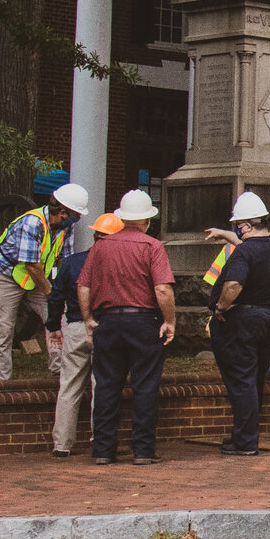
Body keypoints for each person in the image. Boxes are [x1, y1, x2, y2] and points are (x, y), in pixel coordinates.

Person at [81, 188, 177, 465]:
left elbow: (84, 286)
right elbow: (162, 290)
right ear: (148, 220)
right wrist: (169, 321)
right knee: (145, 386)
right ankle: (143, 450)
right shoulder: (152, 246)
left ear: (121, 218)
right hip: (144, 321)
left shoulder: (100, 246)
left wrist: (88, 318)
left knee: (107, 386)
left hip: (108, 320)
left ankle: (103, 450)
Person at [199, 204, 270, 436]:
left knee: (244, 378)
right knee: (257, 375)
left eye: (238, 225)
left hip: (246, 319)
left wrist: (221, 307)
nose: (236, 229)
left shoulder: (245, 251)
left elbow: (234, 284)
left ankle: (246, 439)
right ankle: (251, 434)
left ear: (248, 225)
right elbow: (254, 248)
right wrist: (223, 233)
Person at [0, 182, 90, 381]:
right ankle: (1, 384)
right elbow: (31, 266)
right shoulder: (32, 223)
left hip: (36, 278)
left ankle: (60, 371)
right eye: (76, 214)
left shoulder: (66, 229)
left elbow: (63, 260)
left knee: (62, 315)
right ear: (63, 212)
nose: (78, 219)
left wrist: (61, 290)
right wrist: (52, 293)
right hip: (5, 276)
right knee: (2, 330)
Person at [46, 214, 116, 457]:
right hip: (106, 326)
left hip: (75, 326)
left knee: (68, 387)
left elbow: (56, 297)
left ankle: (62, 445)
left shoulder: (72, 262)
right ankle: (100, 440)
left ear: (95, 235)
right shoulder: (116, 264)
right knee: (102, 387)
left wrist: (53, 324)